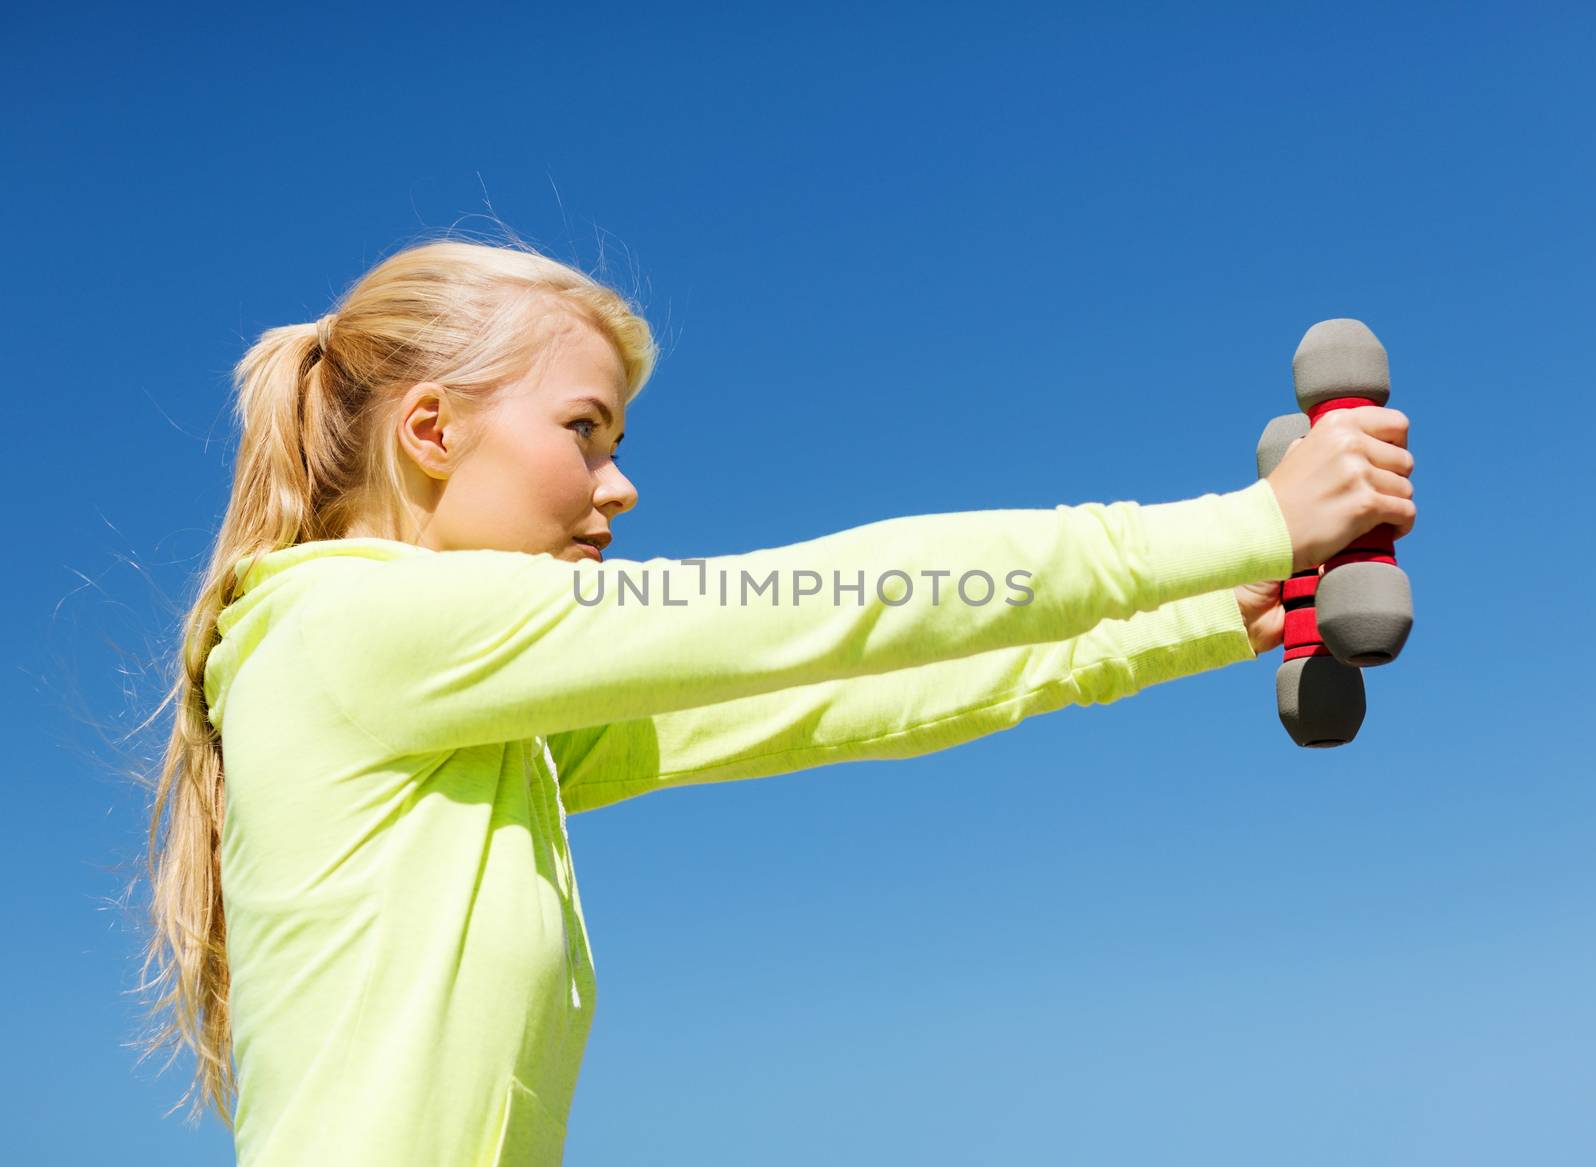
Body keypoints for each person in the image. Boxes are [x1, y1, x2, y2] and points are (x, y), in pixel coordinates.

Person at [134, 234, 1415, 1165]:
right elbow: (819, 603)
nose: (619, 485)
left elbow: (837, 691)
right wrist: (1249, 520)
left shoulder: (472, 715)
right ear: (430, 430)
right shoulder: (345, 628)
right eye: (585, 431)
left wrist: (1199, 618)